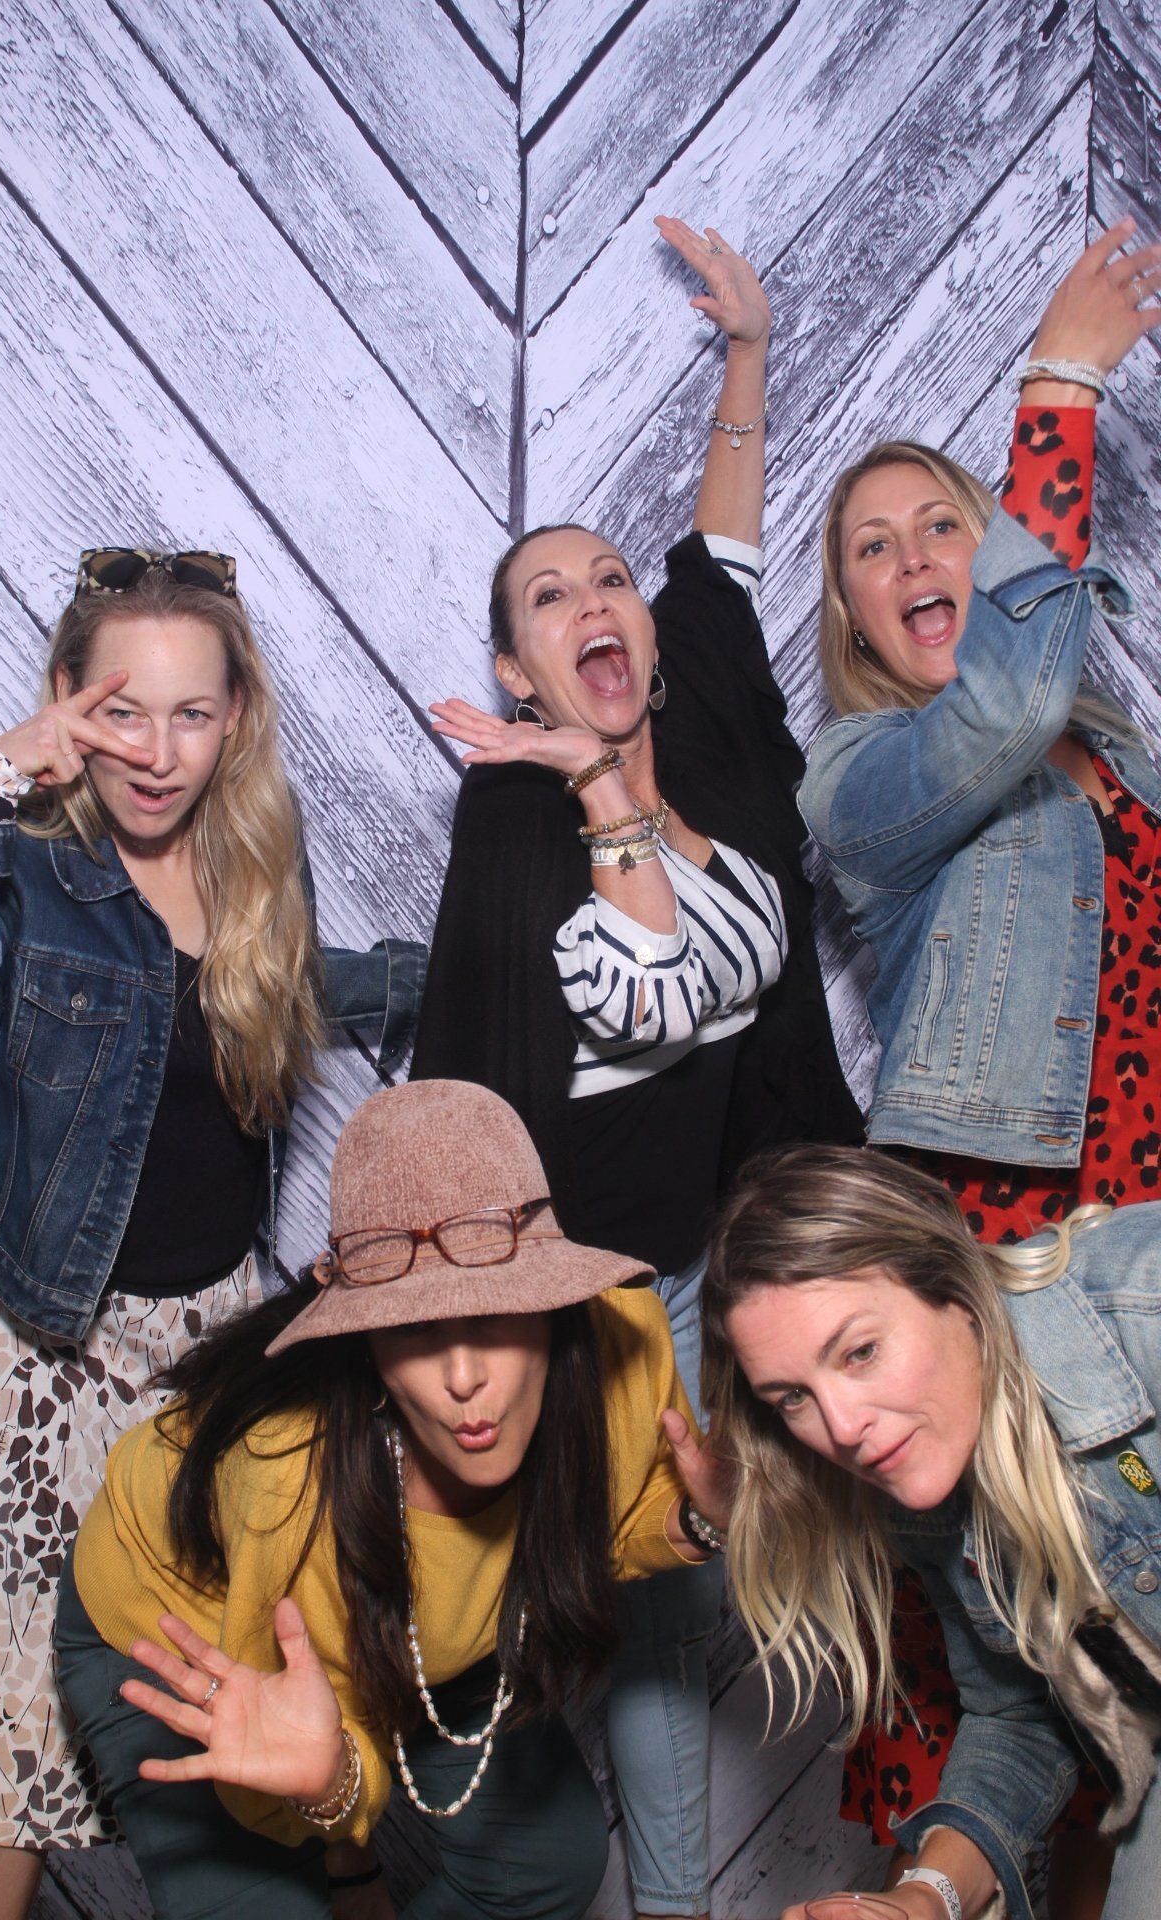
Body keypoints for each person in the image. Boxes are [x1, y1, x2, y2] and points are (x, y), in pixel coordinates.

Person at [413, 218, 861, 1920]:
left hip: (717, 1261)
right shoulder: (520, 819)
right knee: (586, 1622)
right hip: (570, 1290)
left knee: (718, 1604)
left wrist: (749, 347)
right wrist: (591, 784)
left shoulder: (716, 716)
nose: (594, 603)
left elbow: (717, 554)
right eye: (549, 598)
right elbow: (651, 997)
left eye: (608, 581)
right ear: (513, 670)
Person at [0, 547, 423, 1920]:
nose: (156, 751)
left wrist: (460, 966)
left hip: (207, 1340)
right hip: (33, 1337)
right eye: (121, 710)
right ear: (67, 700)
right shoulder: (19, 868)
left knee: (242, 1667)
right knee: (6, 1708)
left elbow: (283, 1003)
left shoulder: (258, 871)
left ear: (235, 718)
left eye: (191, 713)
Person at [796, 221, 1161, 1908]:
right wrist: (1060, 384)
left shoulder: (1120, 751)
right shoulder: (863, 781)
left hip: (1150, 1233)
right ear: (859, 617)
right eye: (875, 549)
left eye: (943, 521)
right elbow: (1005, 707)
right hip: (1012, 1268)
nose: (916, 555)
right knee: (1053, 1698)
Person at [54, 1076, 730, 1920]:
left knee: (547, 1861)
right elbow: (298, 1723)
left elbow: (614, 1515)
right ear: (365, 1343)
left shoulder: (623, 1342)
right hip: (185, 1635)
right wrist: (336, 1792)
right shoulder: (286, 1479)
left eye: (495, 1313)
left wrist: (704, 1516)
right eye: (414, 1328)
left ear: (554, 1303)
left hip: (397, 1633)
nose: (463, 1379)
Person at [700, 1141, 1161, 1920]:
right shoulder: (917, 1477)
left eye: (861, 1351)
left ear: (955, 1288)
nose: (842, 1428)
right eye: (791, 1398)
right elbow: (1024, 1715)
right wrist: (924, 1896)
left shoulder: (1145, 1305)